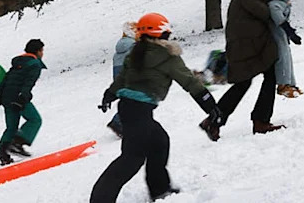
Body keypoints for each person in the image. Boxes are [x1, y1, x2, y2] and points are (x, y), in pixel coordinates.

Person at [91, 13, 222, 203]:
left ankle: (159, 189)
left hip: (129, 108)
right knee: (132, 159)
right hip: (139, 111)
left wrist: (109, 94)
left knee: (159, 141)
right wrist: (211, 107)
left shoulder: (136, 53)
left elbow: (122, 78)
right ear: (162, 34)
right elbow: (190, 82)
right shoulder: (168, 56)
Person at [200, 0, 283, 141]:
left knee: (245, 80)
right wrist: (270, 14)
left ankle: (215, 119)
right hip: (249, 35)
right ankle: (260, 121)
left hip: (244, 33)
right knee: (269, 73)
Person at [0, 39, 47, 165]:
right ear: (38, 52)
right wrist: (23, 96)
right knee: (35, 119)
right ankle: (17, 144)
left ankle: (2, 153)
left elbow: (7, 77)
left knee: (11, 127)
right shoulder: (34, 64)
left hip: (6, 97)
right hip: (18, 96)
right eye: (42, 50)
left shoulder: (19, 62)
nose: (42, 53)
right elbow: (29, 82)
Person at [268, 0, 303, 98]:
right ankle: (283, 84)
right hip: (275, 36)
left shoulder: (280, 3)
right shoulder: (275, 4)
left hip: (281, 36)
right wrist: (289, 31)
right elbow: (278, 17)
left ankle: (291, 83)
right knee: (282, 57)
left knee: (287, 57)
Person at [107, 21, 137, 137]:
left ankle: (122, 123)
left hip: (118, 74)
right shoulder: (133, 46)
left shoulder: (120, 47)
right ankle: (117, 123)